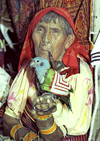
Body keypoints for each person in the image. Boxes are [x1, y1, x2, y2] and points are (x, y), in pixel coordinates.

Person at [3, 7, 93, 141]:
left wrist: (44, 118)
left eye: (55, 31)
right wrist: (28, 137)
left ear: (68, 41)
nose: (45, 39)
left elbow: (55, 137)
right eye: (40, 30)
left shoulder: (79, 76)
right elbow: (9, 118)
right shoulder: (30, 66)